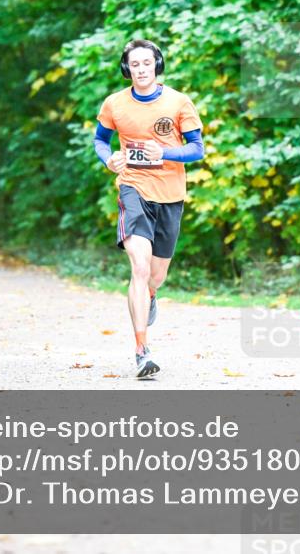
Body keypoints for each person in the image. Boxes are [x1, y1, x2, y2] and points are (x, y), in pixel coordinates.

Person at [94, 39, 205, 378]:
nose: (141, 70)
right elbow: (100, 140)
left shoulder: (178, 102)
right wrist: (108, 159)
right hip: (133, 189)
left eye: (146, 63)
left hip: (170, 195)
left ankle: (151, 293)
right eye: (135, 64)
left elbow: (197, 149)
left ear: (157, 64)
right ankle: (142, 351)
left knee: (156, 276)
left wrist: (164, 153)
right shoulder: (114, 104)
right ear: (126, 68)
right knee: (139, 268)